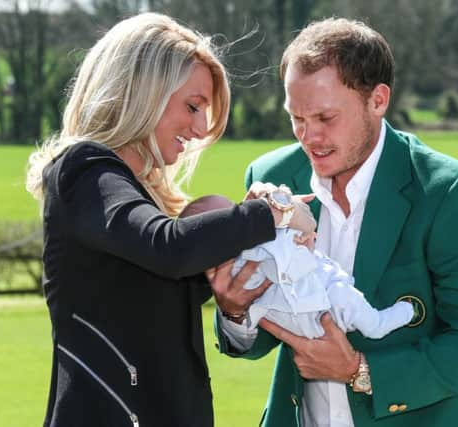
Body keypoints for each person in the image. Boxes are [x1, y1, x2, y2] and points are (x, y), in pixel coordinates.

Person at [215, 17, 458, 427]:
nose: (308, 137)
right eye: (296, 118)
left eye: (325, 118)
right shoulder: (270, 178)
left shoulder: (451, 193)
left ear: (378, 100)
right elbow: (275, 324)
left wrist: (359, 369)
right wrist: (235, 312)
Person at [25, 13, 314, 427]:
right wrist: (272, 213)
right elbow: (170, 247)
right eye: (193, 106)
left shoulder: (132, 198)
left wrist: (229, 293)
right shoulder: (83, 170)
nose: (200, 129)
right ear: (143, 92)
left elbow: (162, 283)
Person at [181, 194, 417, 341]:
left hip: (319, 288)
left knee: (348, 299)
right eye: (229, 219)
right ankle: (381, 323)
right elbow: (276, 268)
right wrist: (233, 314)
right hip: (311, 306)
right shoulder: (238, 262)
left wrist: (295, 233)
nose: (243, 216)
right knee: (354, 307)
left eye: (237, 210)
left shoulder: (261, 215)